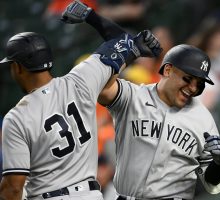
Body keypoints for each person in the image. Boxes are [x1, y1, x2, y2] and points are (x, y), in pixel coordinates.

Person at [62, 2, 220, 200]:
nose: (193, 88)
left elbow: (214, 187)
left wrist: (219, 165)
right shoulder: (133, 97)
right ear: (167, 70)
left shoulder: (203, 118)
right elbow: (100, 85)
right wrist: (129, 50)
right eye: (188, 79)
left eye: (199, 84)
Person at [0, 1, 162, 199]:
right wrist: (89, 15)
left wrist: (134, 49)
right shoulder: (80, 80)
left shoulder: (17, 117)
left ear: (17, 67)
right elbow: (122, 39)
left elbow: (13, 188)